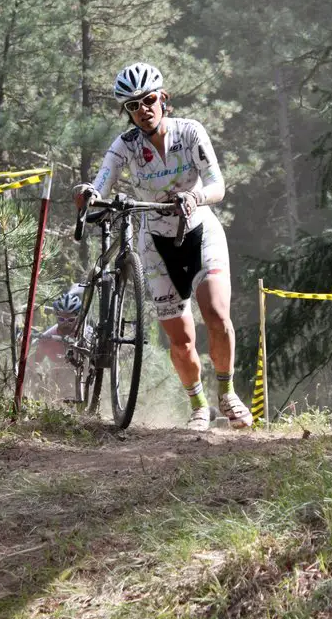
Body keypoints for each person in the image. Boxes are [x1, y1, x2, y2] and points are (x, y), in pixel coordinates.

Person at [74, 62, 252, 431]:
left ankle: (228, 393)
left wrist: (195, 195)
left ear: (163, 98)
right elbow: (103, 179)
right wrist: (90, 193)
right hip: (155, 243)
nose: (143, 110)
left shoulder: (190, 133)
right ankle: (199, 406)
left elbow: (218, 185)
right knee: (182, 337)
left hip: (200, 232)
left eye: (149, 100)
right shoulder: (126, 146)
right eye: (133, 106)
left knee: (217, 316)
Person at [29, 290, 82, 401]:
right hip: (59, 378)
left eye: (71, 319)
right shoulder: (47, 337)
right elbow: (36, 361)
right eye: (62, 319)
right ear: (56, 316)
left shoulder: (86, 333)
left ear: (78, 317)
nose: (66, 323)